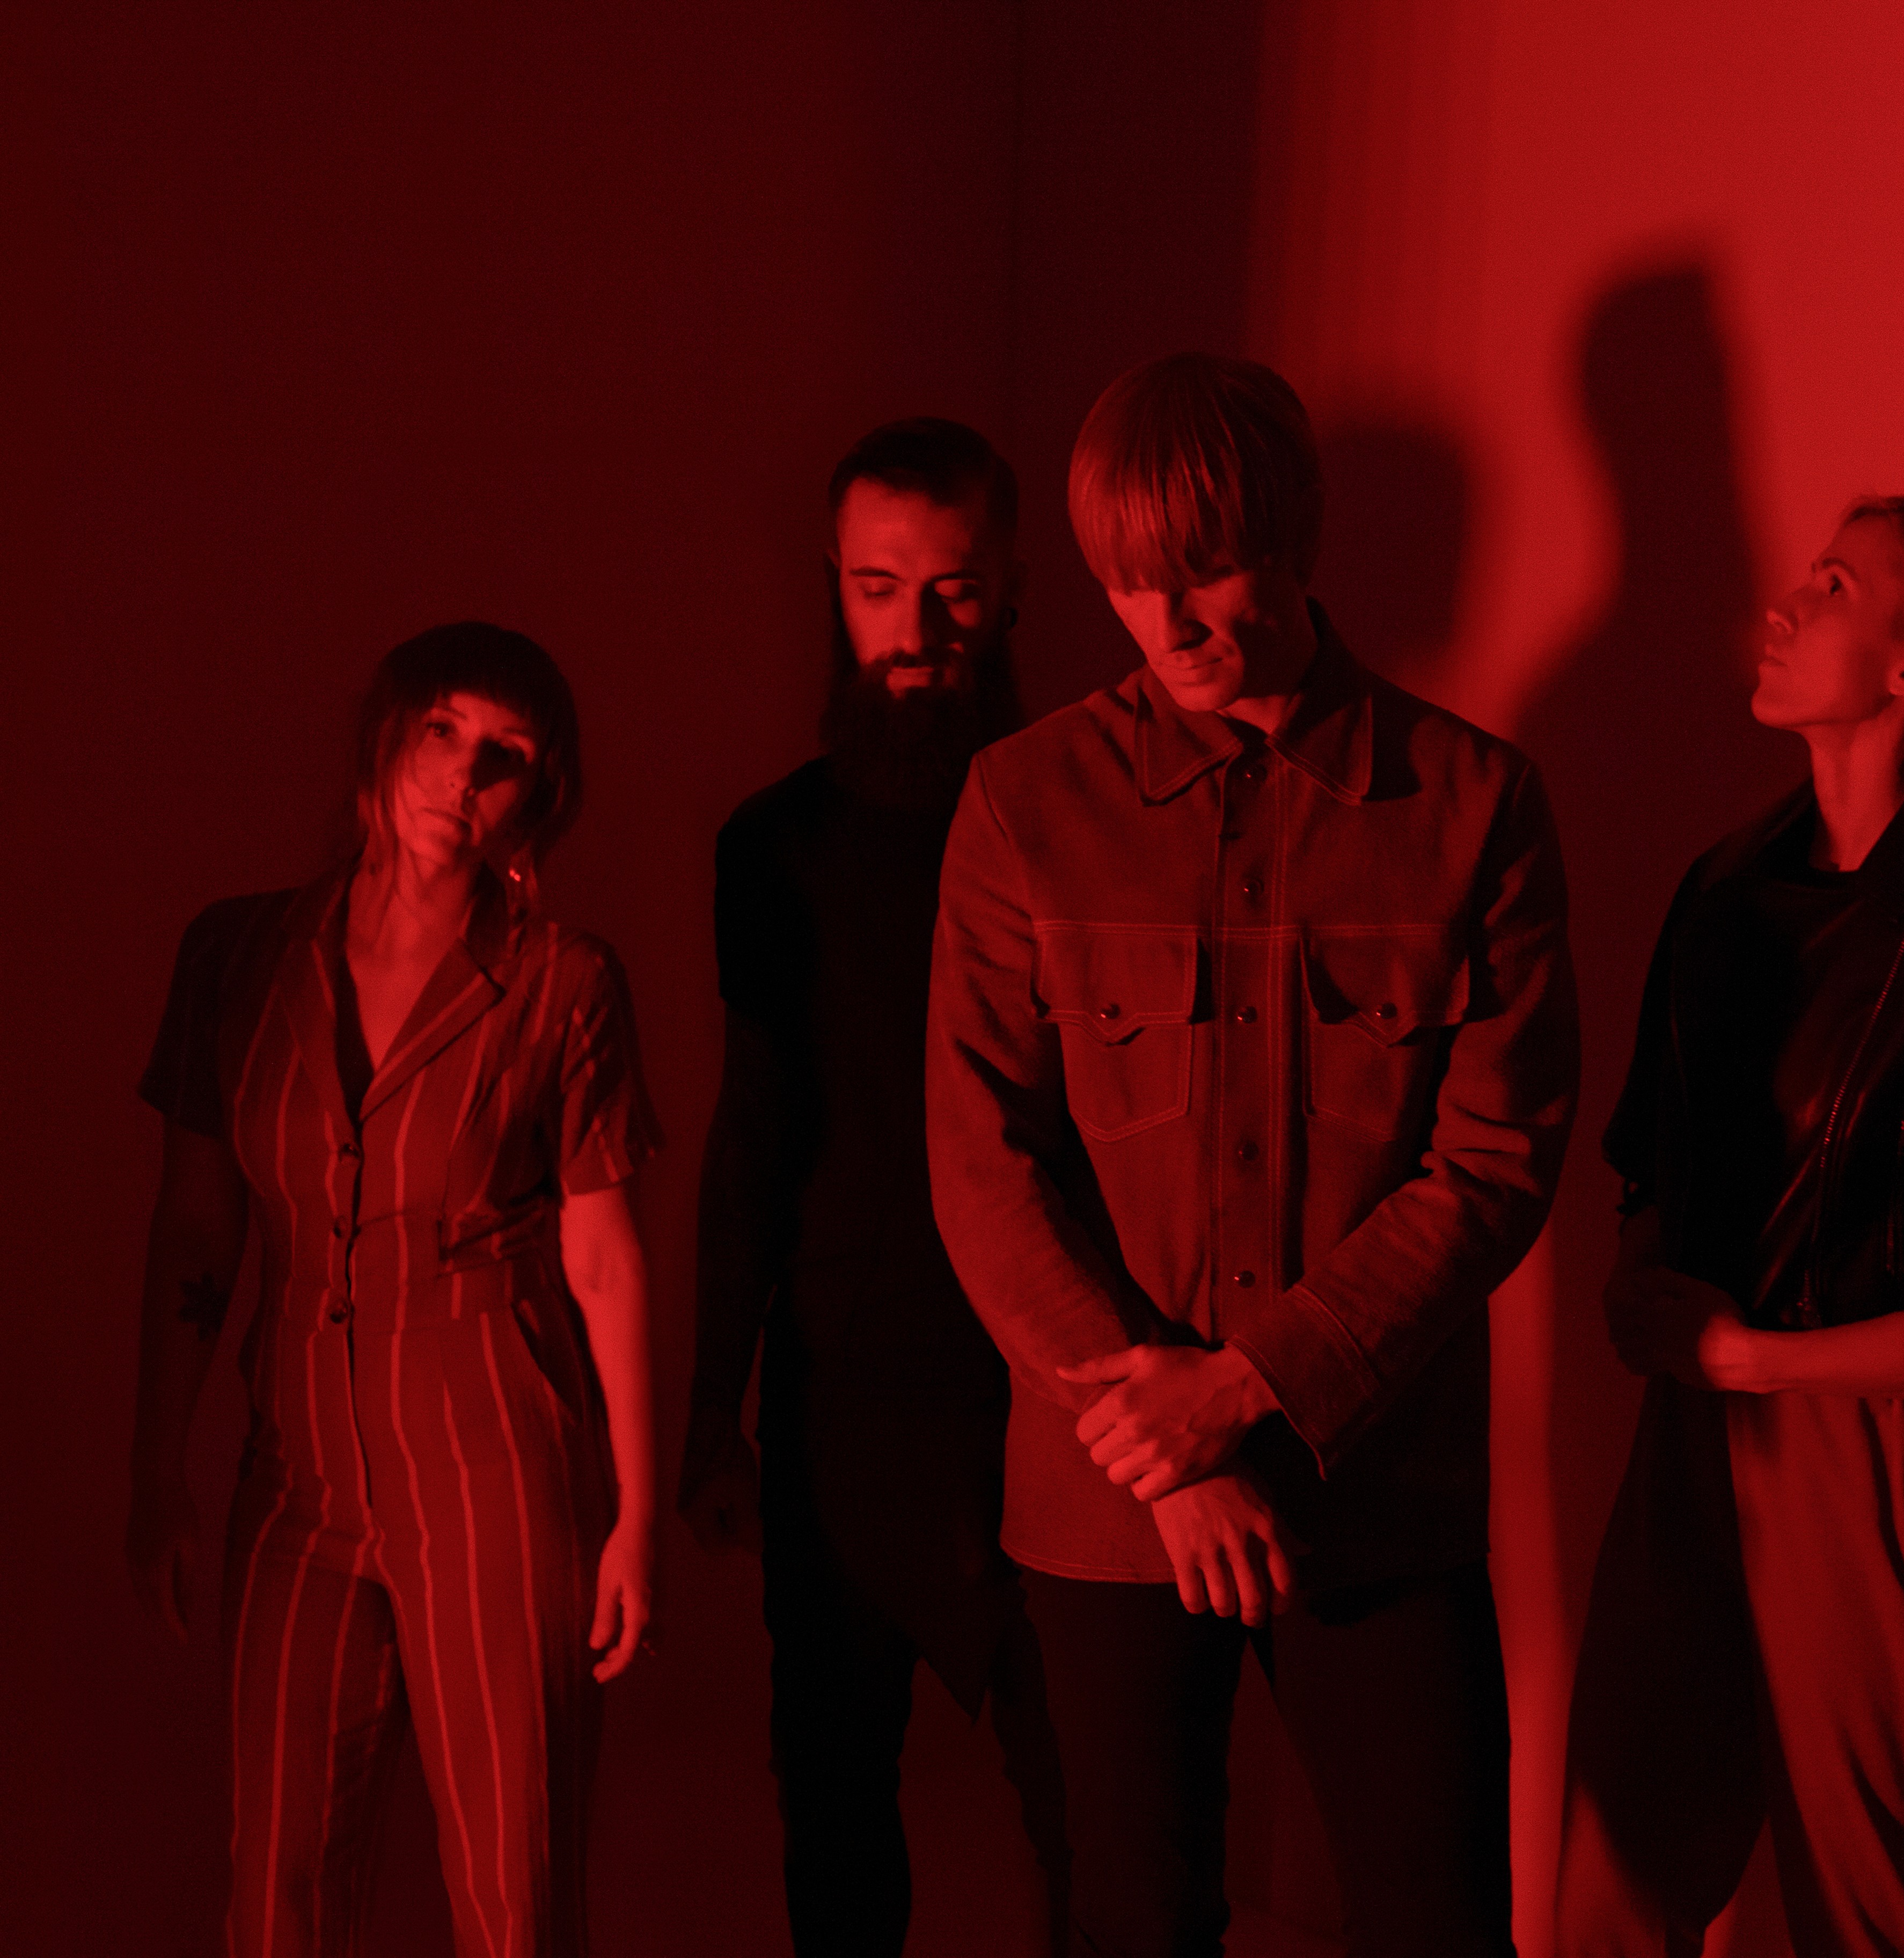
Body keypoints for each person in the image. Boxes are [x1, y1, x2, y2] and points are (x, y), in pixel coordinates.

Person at [924, 352, 1578, 1958]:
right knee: (1134, 1922)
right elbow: (983, 1160)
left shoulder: (1473, 803)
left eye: (1204, 568)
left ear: (1295, 536)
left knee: (1438, 1922)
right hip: (1110, 1502)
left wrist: (1248, 1388)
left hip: (1380, 1492)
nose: (1168, 622)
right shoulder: (1022, 802)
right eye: (1127, 581)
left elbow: (1494, 1161)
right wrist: (1171, 1449)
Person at [1557, 497, 1904, 1957]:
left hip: (1870, 1459)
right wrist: (1646, 1276)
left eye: (1838, 583)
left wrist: (1754, 1361)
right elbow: (1651, 1151)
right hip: (1691, 1430)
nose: (1787, 605)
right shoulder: (1727, 889)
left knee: (1875, 1918)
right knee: (1613, 1882)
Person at [127, 623, 662, 1958]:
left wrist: (636, 1517)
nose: (463, 775)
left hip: (495, 1462)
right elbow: (196, 1229)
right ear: (386, 736)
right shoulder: (239, 957)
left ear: (539, 796)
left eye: (504, 755)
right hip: (295, 1471)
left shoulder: (561, 984)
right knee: (277, 1892)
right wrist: (157, 1466)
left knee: (514, 1895)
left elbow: (604, 1256)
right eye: (442, 732)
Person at [678, 418, 1070, 1955]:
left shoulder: (1080, 820)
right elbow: (755, 1132)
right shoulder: (775, 847)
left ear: (1014, 587)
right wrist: (713, 1411)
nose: (916, 631)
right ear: (833, 588)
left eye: (953, 589)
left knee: (1098, 1812)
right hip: (838, 1383)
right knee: (835, 1809)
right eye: (878, 587)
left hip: (1052, 1377)